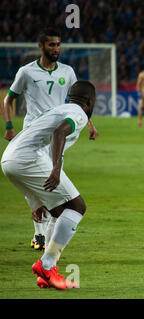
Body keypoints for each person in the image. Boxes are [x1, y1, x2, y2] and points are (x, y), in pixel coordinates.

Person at [3, 27, 98, 251]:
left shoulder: (67, 71)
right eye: (51, 45)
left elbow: (78, 101)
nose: (56, 49)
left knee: (50, 186)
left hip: (59, 131)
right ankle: (40, 237)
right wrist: (9, 126)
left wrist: (90, 124)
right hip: (35, 133)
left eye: (58, 44)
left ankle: (47, 240)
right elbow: (9, 100)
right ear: (41, 46)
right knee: (56, 188)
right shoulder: (26, 72)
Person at [1, 80, 96, 289]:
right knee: (77, 207)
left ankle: (46, 274)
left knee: (59, 211)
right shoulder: (78, 113)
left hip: (9, 159)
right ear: (90, 101)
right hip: (27, 159)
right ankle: (46, 265)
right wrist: (56, 168)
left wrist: (36, 200)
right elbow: (59, 133)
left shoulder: (59, 108)